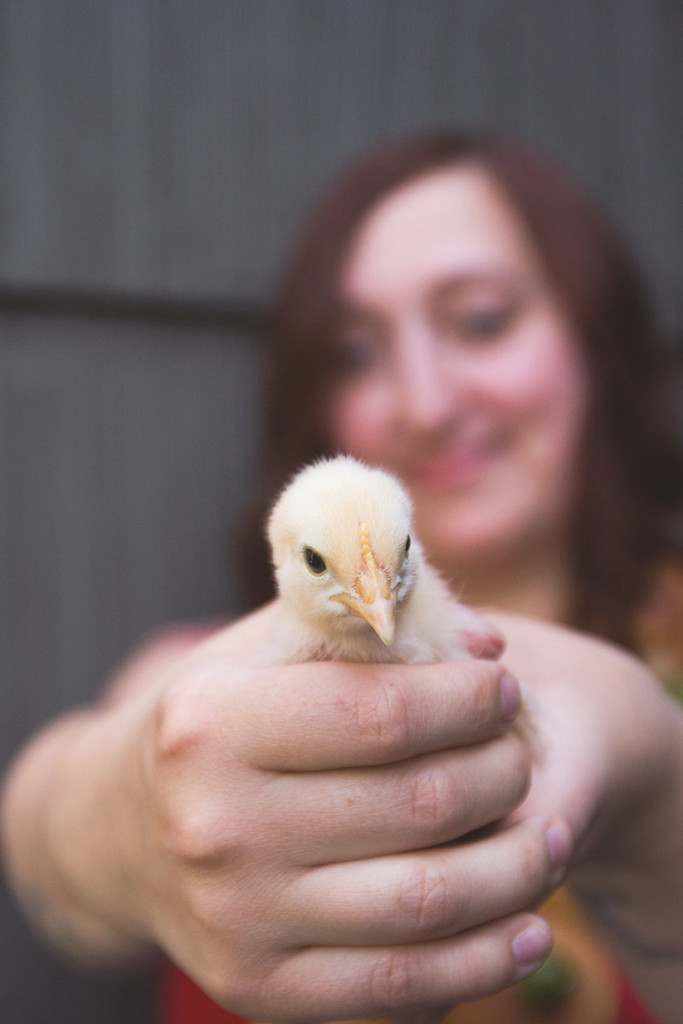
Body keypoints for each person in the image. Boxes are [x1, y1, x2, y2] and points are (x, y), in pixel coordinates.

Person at [1, 131, 682, 1024]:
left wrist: (655, 773)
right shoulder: (215, 689)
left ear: (592, 336)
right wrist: (129, 806)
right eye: (357, 351)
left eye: (480, 320)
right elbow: (50, 833)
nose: (427, 404)